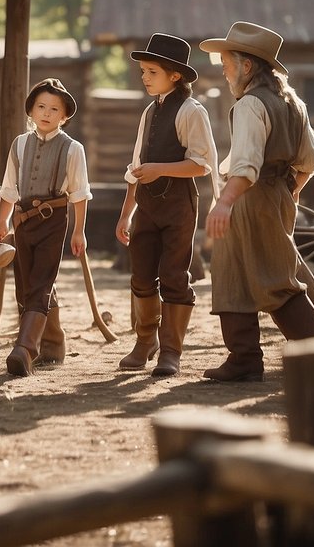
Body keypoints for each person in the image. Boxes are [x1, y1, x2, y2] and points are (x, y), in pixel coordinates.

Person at [200, 22, 314, 383]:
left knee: (276, 280)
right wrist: (290, 193)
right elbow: (310, 162)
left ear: (246, 66)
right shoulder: (293, 103)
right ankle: (244, 359)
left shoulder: (251, 105)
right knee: (230, 272)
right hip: (273, 195)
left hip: (248, 198)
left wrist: (225, 202)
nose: (222, 69)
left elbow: (245, 166)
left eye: (226, 62)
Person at [115, 34, 219, 377]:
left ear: (175, 74)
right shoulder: (149, 110)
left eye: (151, 71)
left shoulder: (192, 111)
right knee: (141, 276)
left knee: (174, 275)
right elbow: (136, 166)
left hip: (178, 206)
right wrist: (126, 213)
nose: (144, 77)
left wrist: (160, 170)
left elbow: (201, 164)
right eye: (143, 70)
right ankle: (146, 342)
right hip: (146, 206)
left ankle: (171, 351)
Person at [0, 78, 91, 377]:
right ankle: (52, 343)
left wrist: (79, 231)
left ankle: (25, 349)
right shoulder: (19, 144)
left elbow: (79, 193)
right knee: (24, 286)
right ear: (31, 111)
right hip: (22, 222)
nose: (46, 113)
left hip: (54, 221)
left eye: (54, 109)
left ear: (64, 116)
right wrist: (2, 220)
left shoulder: (73, 149)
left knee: (42, 282)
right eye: (41, 107)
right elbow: (9, 187)